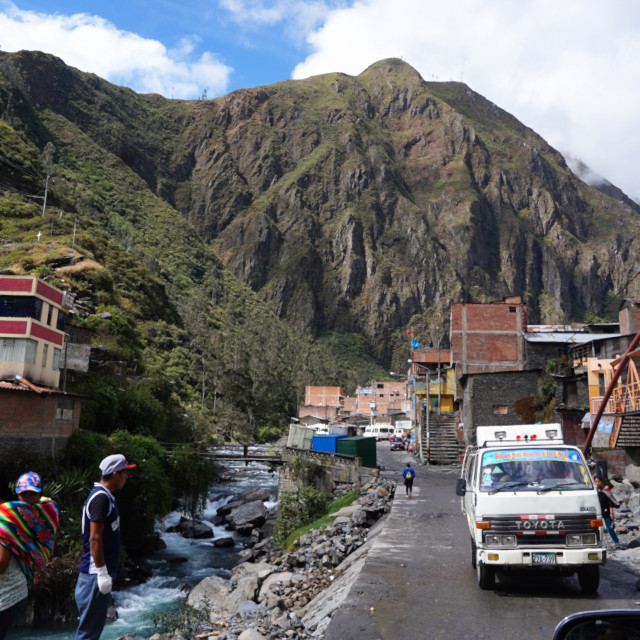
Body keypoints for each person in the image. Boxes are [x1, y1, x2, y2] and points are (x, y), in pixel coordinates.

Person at [75, 454, 136, 640]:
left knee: (92, 630)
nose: (127, 477)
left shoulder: (106, 497)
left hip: (97, 575)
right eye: (125, 473)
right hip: (94, 575)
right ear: (116, 475)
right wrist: (102, 572)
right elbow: (94, 538)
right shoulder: (101, 498)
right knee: (88, 634)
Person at [0, 472, 59, 639]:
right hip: (16, 592)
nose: (27, 498)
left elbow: (1, 564)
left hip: (8, 596)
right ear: (17, 494)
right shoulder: (19, 517)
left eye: (32, 493)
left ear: (40, 494)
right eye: (24, 494)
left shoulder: (6, 520)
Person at [594, 475, 620, 547]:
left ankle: (616, 542)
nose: (597, 483)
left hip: (606, 511)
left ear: (602, 482)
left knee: (609, 528)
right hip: (597, 512)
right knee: (596, 528)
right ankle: (597, 543)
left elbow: (610, 501)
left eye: (599, 481)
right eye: (596, 481)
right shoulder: (592, 490)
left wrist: (611, 512)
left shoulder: (606, 489)